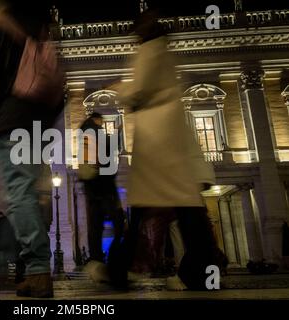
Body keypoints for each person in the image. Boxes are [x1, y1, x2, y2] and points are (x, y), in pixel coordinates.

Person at [0, 0, 63, 298]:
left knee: (17, 195)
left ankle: (38, 269)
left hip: (10, 123)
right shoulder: (36, 38)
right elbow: (57, 92)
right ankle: (36, 266)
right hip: (37, 126)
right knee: (27, 193)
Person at [119, 8, 226, 291]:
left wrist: (119, 90)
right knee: (184, 210)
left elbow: (138, 91)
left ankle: (121, 268)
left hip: (158, 144)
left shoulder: (149, 51)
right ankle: (201, 270)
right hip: (171, 144)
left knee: (156, 210)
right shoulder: (164, 51)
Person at [78, 112, 127, 288]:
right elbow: (109, 148)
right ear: (98, 120)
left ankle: (96, 261)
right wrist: (117, 133)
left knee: (95, 224)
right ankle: (116, 263)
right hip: (103, 181)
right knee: (118, 221)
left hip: (91, 183)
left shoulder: (83, 131)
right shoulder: (94, 130)